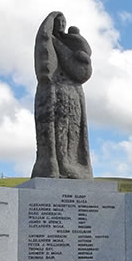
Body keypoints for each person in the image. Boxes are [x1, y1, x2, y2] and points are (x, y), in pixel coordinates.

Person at [31, 11, 93, 179]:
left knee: (72, 133)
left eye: (63, 22)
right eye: (58, 22)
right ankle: (57, 166)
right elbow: (46, 69)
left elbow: (82, 70)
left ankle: (71, 165)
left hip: (73, 95)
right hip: (53, 93)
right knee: (55, 133)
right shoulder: (50, 43)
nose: (62, 26)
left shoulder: (69, 44)